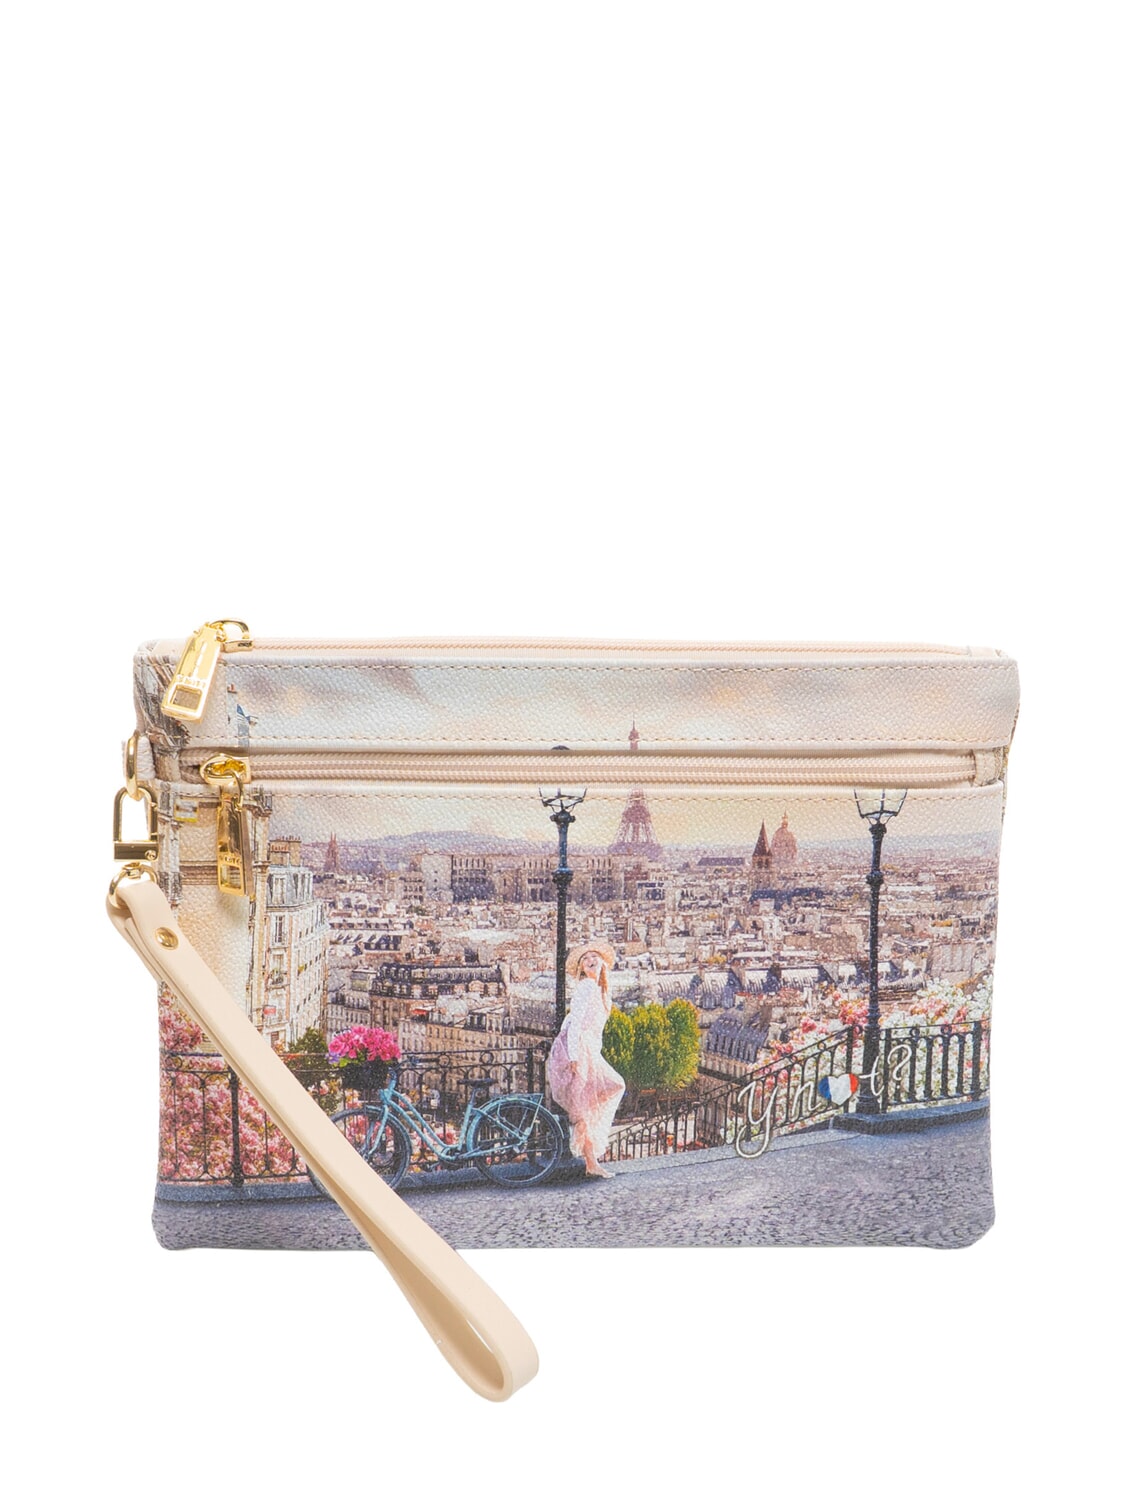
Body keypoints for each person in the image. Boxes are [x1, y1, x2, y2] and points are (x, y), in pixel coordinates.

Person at [547, 942, 626, 1179]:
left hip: (586, 1049)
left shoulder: (599, 991)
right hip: (578, 1049)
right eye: (585, 958)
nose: (591, 960)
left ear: (602, 962)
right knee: (609, 1090)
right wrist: (574, 1056)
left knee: (587, 1104)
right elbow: (575, 1023)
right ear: (581, 968)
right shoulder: (587, 987)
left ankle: (591, 1161)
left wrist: (591, 1051)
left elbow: (590, 1028)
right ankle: (591, 1161)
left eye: (594, 956)